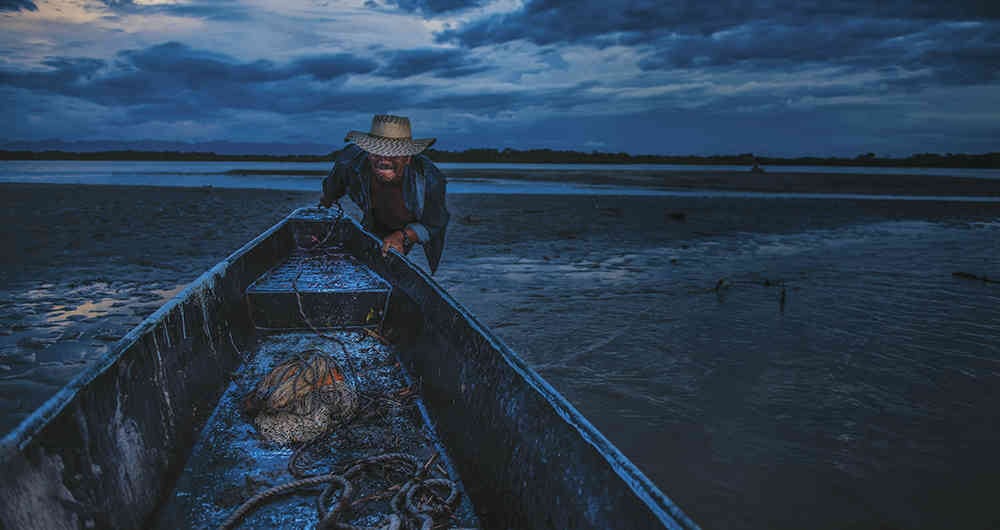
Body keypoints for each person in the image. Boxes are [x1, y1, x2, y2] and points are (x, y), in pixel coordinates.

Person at [319, 114, 450, 273]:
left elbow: (435, 222)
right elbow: (331, 190)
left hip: (406, 226)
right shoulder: (349, 161)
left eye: (393, 154)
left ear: (407, 158)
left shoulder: (430, 179)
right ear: (368, 153)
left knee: (389, 263)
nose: (384, 160)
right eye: (377, 153)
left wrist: (402, 236)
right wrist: (320, 215)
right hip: (373, 218)